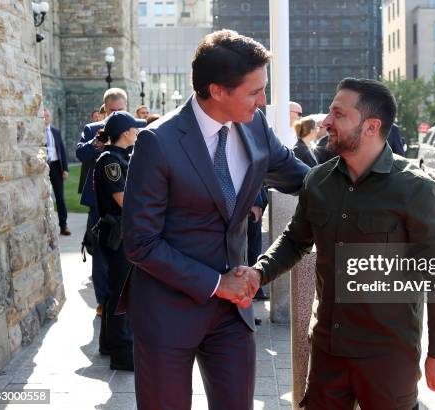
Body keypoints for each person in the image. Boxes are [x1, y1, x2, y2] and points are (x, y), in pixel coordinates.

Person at [239, 78, 435, 409]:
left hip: (388, 356)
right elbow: (295, 240)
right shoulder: (319, 180)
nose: (326, 122)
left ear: (371, 126)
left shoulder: (416, 189)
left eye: (338, 114)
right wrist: (259, 273)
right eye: (330, 111)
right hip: (328, 351)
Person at [121, 29, 309, 410]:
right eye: (254, 91)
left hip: (232, 315)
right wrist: (214, 283)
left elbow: (304, 178)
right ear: (217, 90)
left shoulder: (255, 126)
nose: (263, 101)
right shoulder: (158, 142)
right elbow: (140, 242)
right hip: (166, 311)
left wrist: (375, 179)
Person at [92, 111, 145, 371]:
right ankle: (122, 353)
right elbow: (123, 200)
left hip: (122, 233)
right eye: (135, 128)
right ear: (125, 132)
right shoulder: (110, 161)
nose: (137, 132)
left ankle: (108, 343)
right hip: (117, 235)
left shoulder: (122, 158)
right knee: (121, 293)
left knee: (118, 290)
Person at [76, 88, 127, 334]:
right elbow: (80, 152)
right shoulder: (92, 129)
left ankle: (121, 299)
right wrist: (98, 141)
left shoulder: (131, 131)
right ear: (104, 109)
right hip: (100, 199)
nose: (116, 114)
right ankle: (102, 301)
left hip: (123, 198)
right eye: (112, 110)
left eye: (120, 110)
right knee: (100, 249)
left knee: (122, 251)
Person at [44, 108, 70, 236]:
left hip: (56, 167)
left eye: (47, 116)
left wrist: (65, 169)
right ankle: (45, 227)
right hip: (43, 167)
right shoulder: (37, 133)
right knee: (43, 197)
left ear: (51, 117)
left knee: (60, 197)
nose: (46, 118)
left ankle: (63, 225)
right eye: (43, 116)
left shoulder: (56, 132)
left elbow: (62, 151)